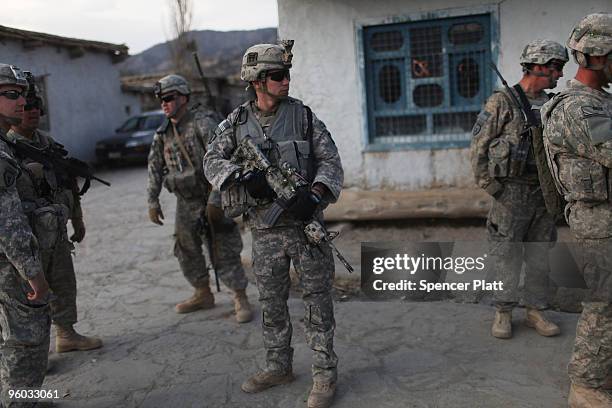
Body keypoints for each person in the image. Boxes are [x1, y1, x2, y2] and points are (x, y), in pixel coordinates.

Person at [203, 41, 344, 408]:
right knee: (271, 303)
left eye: (287, 74)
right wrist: (241, 177)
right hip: (264, 232)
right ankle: (278, 365)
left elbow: (331, 162)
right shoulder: (235, 123)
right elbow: (211, 161)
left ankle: (324, 375)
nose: (286, 82)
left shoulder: (305, 117)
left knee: (317, 303)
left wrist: (314, 195)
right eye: (278, 76)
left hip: (304, 228)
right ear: (257, 81)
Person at [470, 39, 568, 339]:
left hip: (543, 193)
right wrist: (493, 188)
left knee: (539, 255)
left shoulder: (552, 103)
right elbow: (478, 148)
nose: (559, 74)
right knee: (507, 255)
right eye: (555, 67)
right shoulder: (502, 102)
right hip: (510, 193)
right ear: (537, 66)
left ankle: (535, 311)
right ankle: (503, 312)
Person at [541, 13, 612, 407]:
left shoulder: (602, 101)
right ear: (599, 57)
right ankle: (585, 385)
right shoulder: (576, 110)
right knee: (604, 306)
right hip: (598, 224)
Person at [7, 72, 102, 352]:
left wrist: (78, 217)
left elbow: (67, 182)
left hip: (55, 231)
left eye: (37, 106)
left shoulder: (47, 143)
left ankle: (66, 334)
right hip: (26, 236)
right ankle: (34, 354)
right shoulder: (8, 148)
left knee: (63, 282)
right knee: (28, 293)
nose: (33, 111)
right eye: (27, 106)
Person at [146, 74, 252, 322]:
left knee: (223, 247)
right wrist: (152, 200)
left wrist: (217, 198)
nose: (164, 103)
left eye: (169, 98)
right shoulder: (163, 133)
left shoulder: (203, 122)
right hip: (186, 201)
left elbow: (227, 158)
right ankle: (202, 292)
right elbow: (154, 166)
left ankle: (240, 296)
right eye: (161, 99)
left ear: (184, 97)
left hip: (212, 196)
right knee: (185, 248)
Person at [0, 63, 51, 407]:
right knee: (26, 339)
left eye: (23, 94)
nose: (22, 102)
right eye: (11, 94)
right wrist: (33, 274)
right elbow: (8, 223)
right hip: (10, 265)